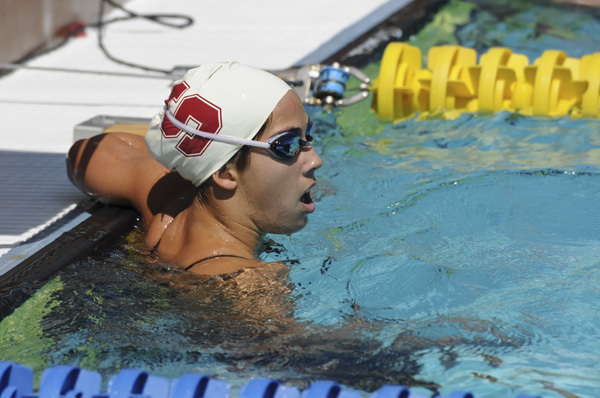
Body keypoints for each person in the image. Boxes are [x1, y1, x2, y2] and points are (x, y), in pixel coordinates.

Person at [67, 62, 322, 275]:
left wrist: (186, 165)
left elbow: (91, 151)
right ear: (225, 174)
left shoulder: (170, 199)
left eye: (307, 135)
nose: (315, 160)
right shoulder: (250, 284)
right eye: (286, 145)